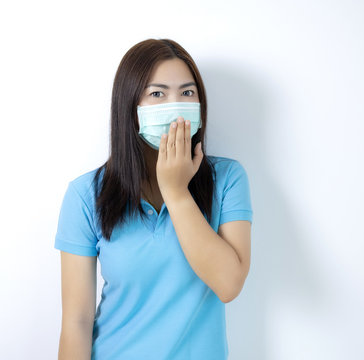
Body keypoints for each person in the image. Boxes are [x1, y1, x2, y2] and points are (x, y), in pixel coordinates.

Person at [54, 38, 253, 359]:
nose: (175, 105)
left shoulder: (228, 178)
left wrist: (177, 193)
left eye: (187, 93)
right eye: (157, 93)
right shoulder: (85, 194)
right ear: (129, 105)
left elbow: (228, 284)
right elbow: (76, 322)